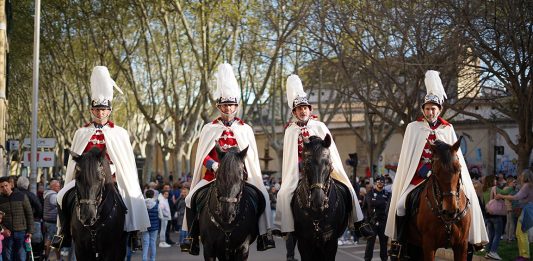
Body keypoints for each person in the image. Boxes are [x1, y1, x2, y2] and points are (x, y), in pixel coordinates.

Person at [385, 70, 488, 258]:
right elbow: (410, 157)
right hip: (417, 178)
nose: (430, 112)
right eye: (427, 108)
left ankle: (471, 241)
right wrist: (424, 170)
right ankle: (399, 241)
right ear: (423, 110)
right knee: (401, 205)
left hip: (444, 178)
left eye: (433, 109)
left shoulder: (447, 128)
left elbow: (454, 157)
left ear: (439, 110)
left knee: (469, 201)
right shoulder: (413, 128)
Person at [182, 63, 275, 254]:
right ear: (219, 107)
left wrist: (240, 169)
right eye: (224, 105)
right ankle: (191, 238)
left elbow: (250, 157)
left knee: (263, 196)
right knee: (191, 198)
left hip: (239, 178)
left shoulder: (245, 129)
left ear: (237, 106)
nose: (228, 108)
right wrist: (214, 165)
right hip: (213, 177)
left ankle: (264, 236)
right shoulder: (209, 128)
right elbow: (202, 156)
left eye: (231, 105)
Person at [54, 66, 150, 248]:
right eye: (97, 109)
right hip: (85, 178)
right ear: (91, 110)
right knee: (60, 196)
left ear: (109, 110)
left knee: (128, 195)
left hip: (110, 178)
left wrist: (112, 169)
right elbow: (77, 157)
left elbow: (124, 161)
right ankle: (63, 233)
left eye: (103, 109)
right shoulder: (81, 132)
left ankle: (133, 232)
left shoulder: (119, 133)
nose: (100, 113)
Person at [274, 74, 364, 238]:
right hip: (300, 171)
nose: (302, 111)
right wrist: (302, 166)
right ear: (294, 112)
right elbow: (291, 157)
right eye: (299, 109)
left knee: (348, 188)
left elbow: (330, 151)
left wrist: (327, 166)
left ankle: (359, 222)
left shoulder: (320, 126)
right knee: (283, 193)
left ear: (310, 109)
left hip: (322, 169)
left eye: (305, 108)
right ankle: (285, 227)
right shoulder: (290, 131)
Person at [496, 169, 533, 261]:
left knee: (521, 233)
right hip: (527, 209)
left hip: (526, 210)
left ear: (525, 176)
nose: (520, 177)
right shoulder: (529, 185)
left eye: (521, 175)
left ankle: (525, 256)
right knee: (519, 233)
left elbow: (516, 197)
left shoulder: (527, 186)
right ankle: (522, 254)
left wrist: (501, 196)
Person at [0, 176, 33, 261]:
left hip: (22, 231)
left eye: (6, 185)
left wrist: (30, 231)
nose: (5, 188)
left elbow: (29, 214)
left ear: (10, 185)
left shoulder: (21, 196)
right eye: (2, 187)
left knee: (21, 256)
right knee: (7, 257)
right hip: (7, 233)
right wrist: (3, 230)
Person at [362, 176, 390, 261]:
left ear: (384, 183)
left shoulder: (388, 194)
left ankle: (384, 259)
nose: (380, 183)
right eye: (378, 181)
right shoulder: (369, 194)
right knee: (370, 244)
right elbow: (364, 208)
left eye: (382, 182)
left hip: (383, 223)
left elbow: (390, 208)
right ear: (375, 183)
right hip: (372, 223)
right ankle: (367, 259)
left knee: (384, 244)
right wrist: (366, 222)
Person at [43, 180, 61, 260]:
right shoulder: (54, 196)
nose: (59, 188)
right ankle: (57, 258)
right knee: (55, 241)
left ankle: (46, 257)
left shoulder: (47, 194)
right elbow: (60, 205)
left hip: (47, 221)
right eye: (57, 186)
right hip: (52, 222)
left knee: (49, 239)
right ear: (52, 187)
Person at [142, 189, 159, 261]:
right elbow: (161, 216)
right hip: (154, 226)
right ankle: (152, 259)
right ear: (153, 195)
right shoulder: (156, 204)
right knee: (153, 243)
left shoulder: (142, 204)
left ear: (145, 195)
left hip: (144, 225)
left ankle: (144, 259)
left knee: (145, 243)